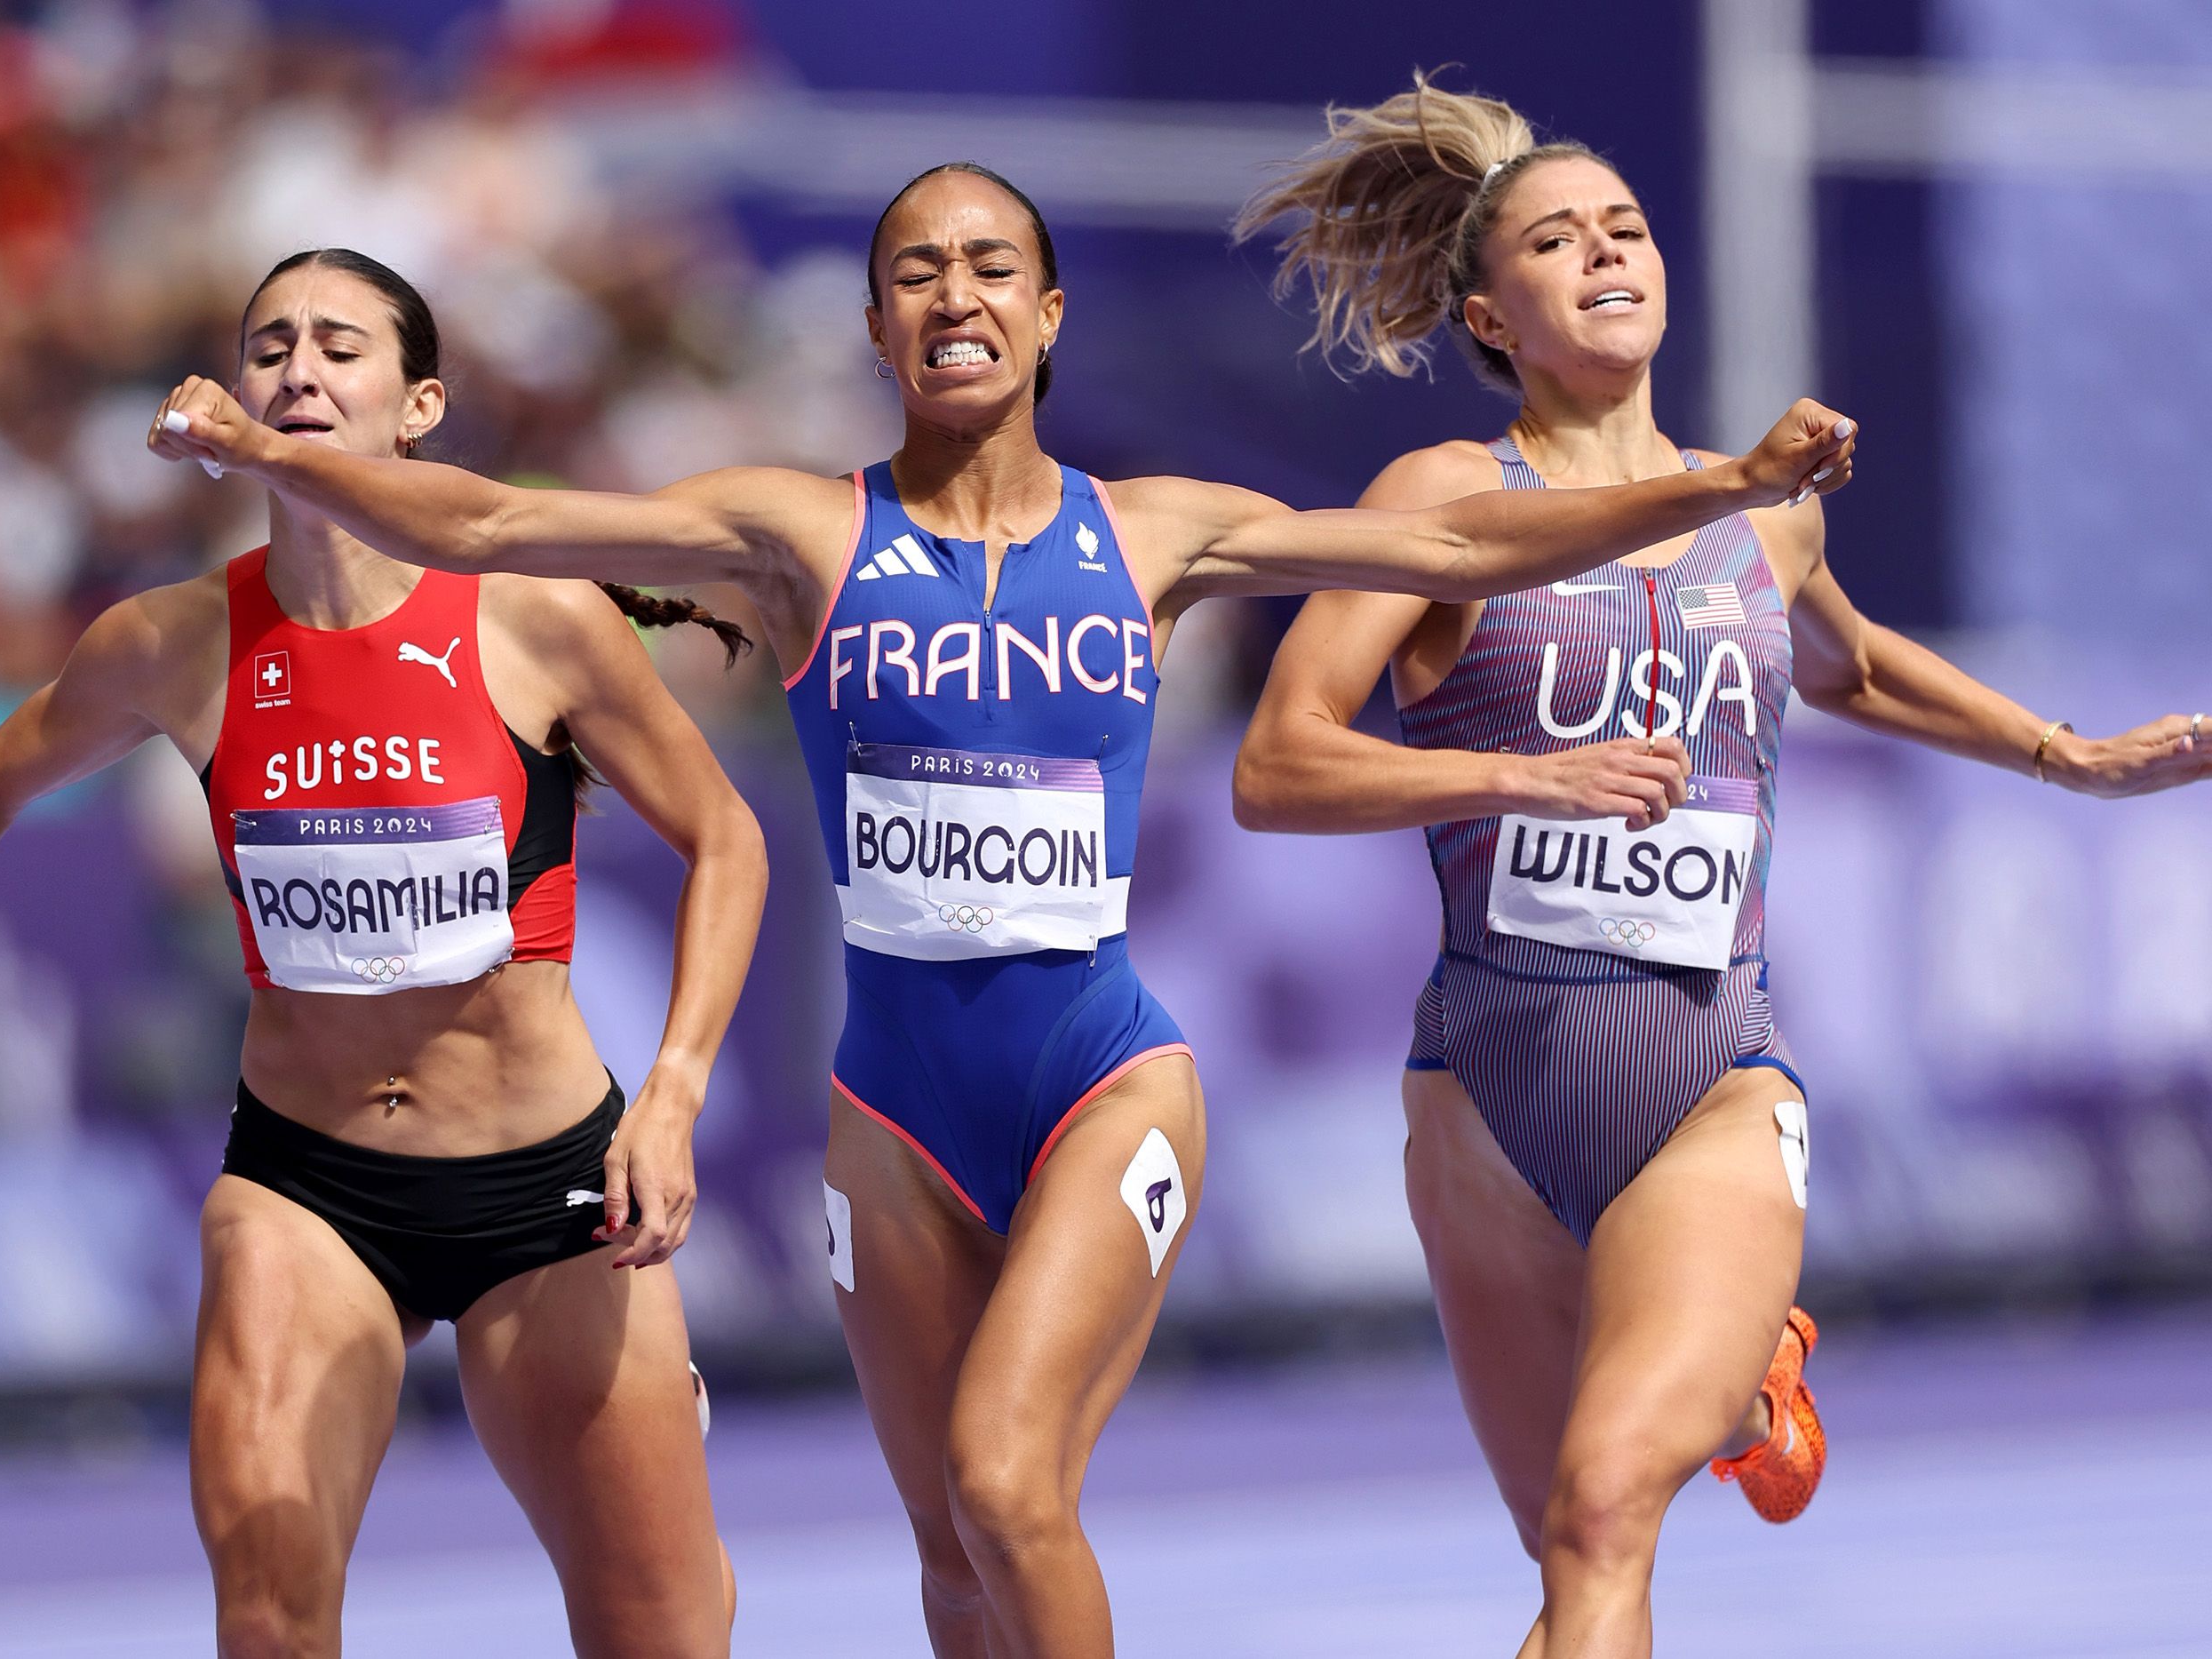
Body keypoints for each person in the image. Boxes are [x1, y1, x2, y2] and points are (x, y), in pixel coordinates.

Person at [146, 163, 1852, 1657]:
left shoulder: (1162, 533)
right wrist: (261, 452)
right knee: (954, 1569)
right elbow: (500, 521)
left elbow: (1469, 554)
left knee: (1006, 1479)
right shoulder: (795, 538)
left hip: (1102, 1080)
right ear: (880, 332)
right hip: (890, 1114)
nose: (951, 294)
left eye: (986, 270)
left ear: (1046, 317)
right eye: (912, 271)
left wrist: (1714, 491)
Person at [1230, 77, 2212, 1659]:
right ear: (1494, 316)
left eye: (1624, 226)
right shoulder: (1439, 505)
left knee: (1608, 1505)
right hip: (1485, 1093)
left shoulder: (1766, 520)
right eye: (1557, 241)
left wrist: (2071, 756)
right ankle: (1748, 1369)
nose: (1606, 252)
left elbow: (1857, 671)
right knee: (1575, 1565)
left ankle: (1743, 1330)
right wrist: (1523, 774)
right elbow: (1278, 767)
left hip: (1709, 1079)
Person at [0, 248, 766, 1659]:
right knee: (265, 1617)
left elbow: (728, 840)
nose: (298, 368)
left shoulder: (536, 619)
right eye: (268, 346)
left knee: (662, 1633)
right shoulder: (177, 642)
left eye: (339, 345)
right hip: (306, 1189)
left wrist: (674, 1091)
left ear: (417, 403)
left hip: (553, 1194)